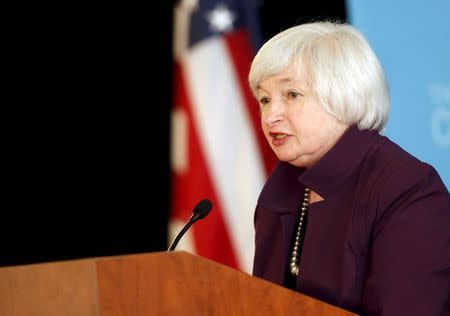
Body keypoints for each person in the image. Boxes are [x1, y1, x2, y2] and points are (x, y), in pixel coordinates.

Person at [248, 21, 450, 316]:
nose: (270, 116)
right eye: (265, 99)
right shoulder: (281, 189)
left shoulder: (408, 189)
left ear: (344, 94)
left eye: (291, 95)